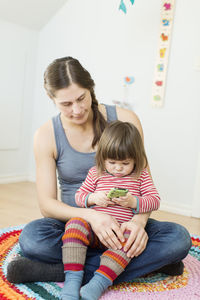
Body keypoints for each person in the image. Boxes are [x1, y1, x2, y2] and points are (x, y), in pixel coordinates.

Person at [7, 56, 191, 286]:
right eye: (66, 104)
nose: (77, 110)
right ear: (51, 99)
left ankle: (59, 271)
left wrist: (139, 223)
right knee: (33, 239)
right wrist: (93, 216)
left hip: (124, 224)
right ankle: (148, 263)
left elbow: (146, 186)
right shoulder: (45, 135)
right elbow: (47, 205)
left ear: (90, 88)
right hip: (76, 225)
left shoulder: (125, 120)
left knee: (179, 239)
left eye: (81, 98)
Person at [61, 120, 161, 300]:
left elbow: (155, 201)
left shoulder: (141, 174)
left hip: (119, 236)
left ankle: (98, 283)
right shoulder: (95, 173)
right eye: (112, 162)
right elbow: (78, 197)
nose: (118, 168)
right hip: (93, 232)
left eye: (125, 163)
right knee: (74, 223)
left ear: (136, 159)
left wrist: (133, 201)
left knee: (132, 238)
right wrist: (93, 198)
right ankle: (72, 280)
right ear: (102, 158)